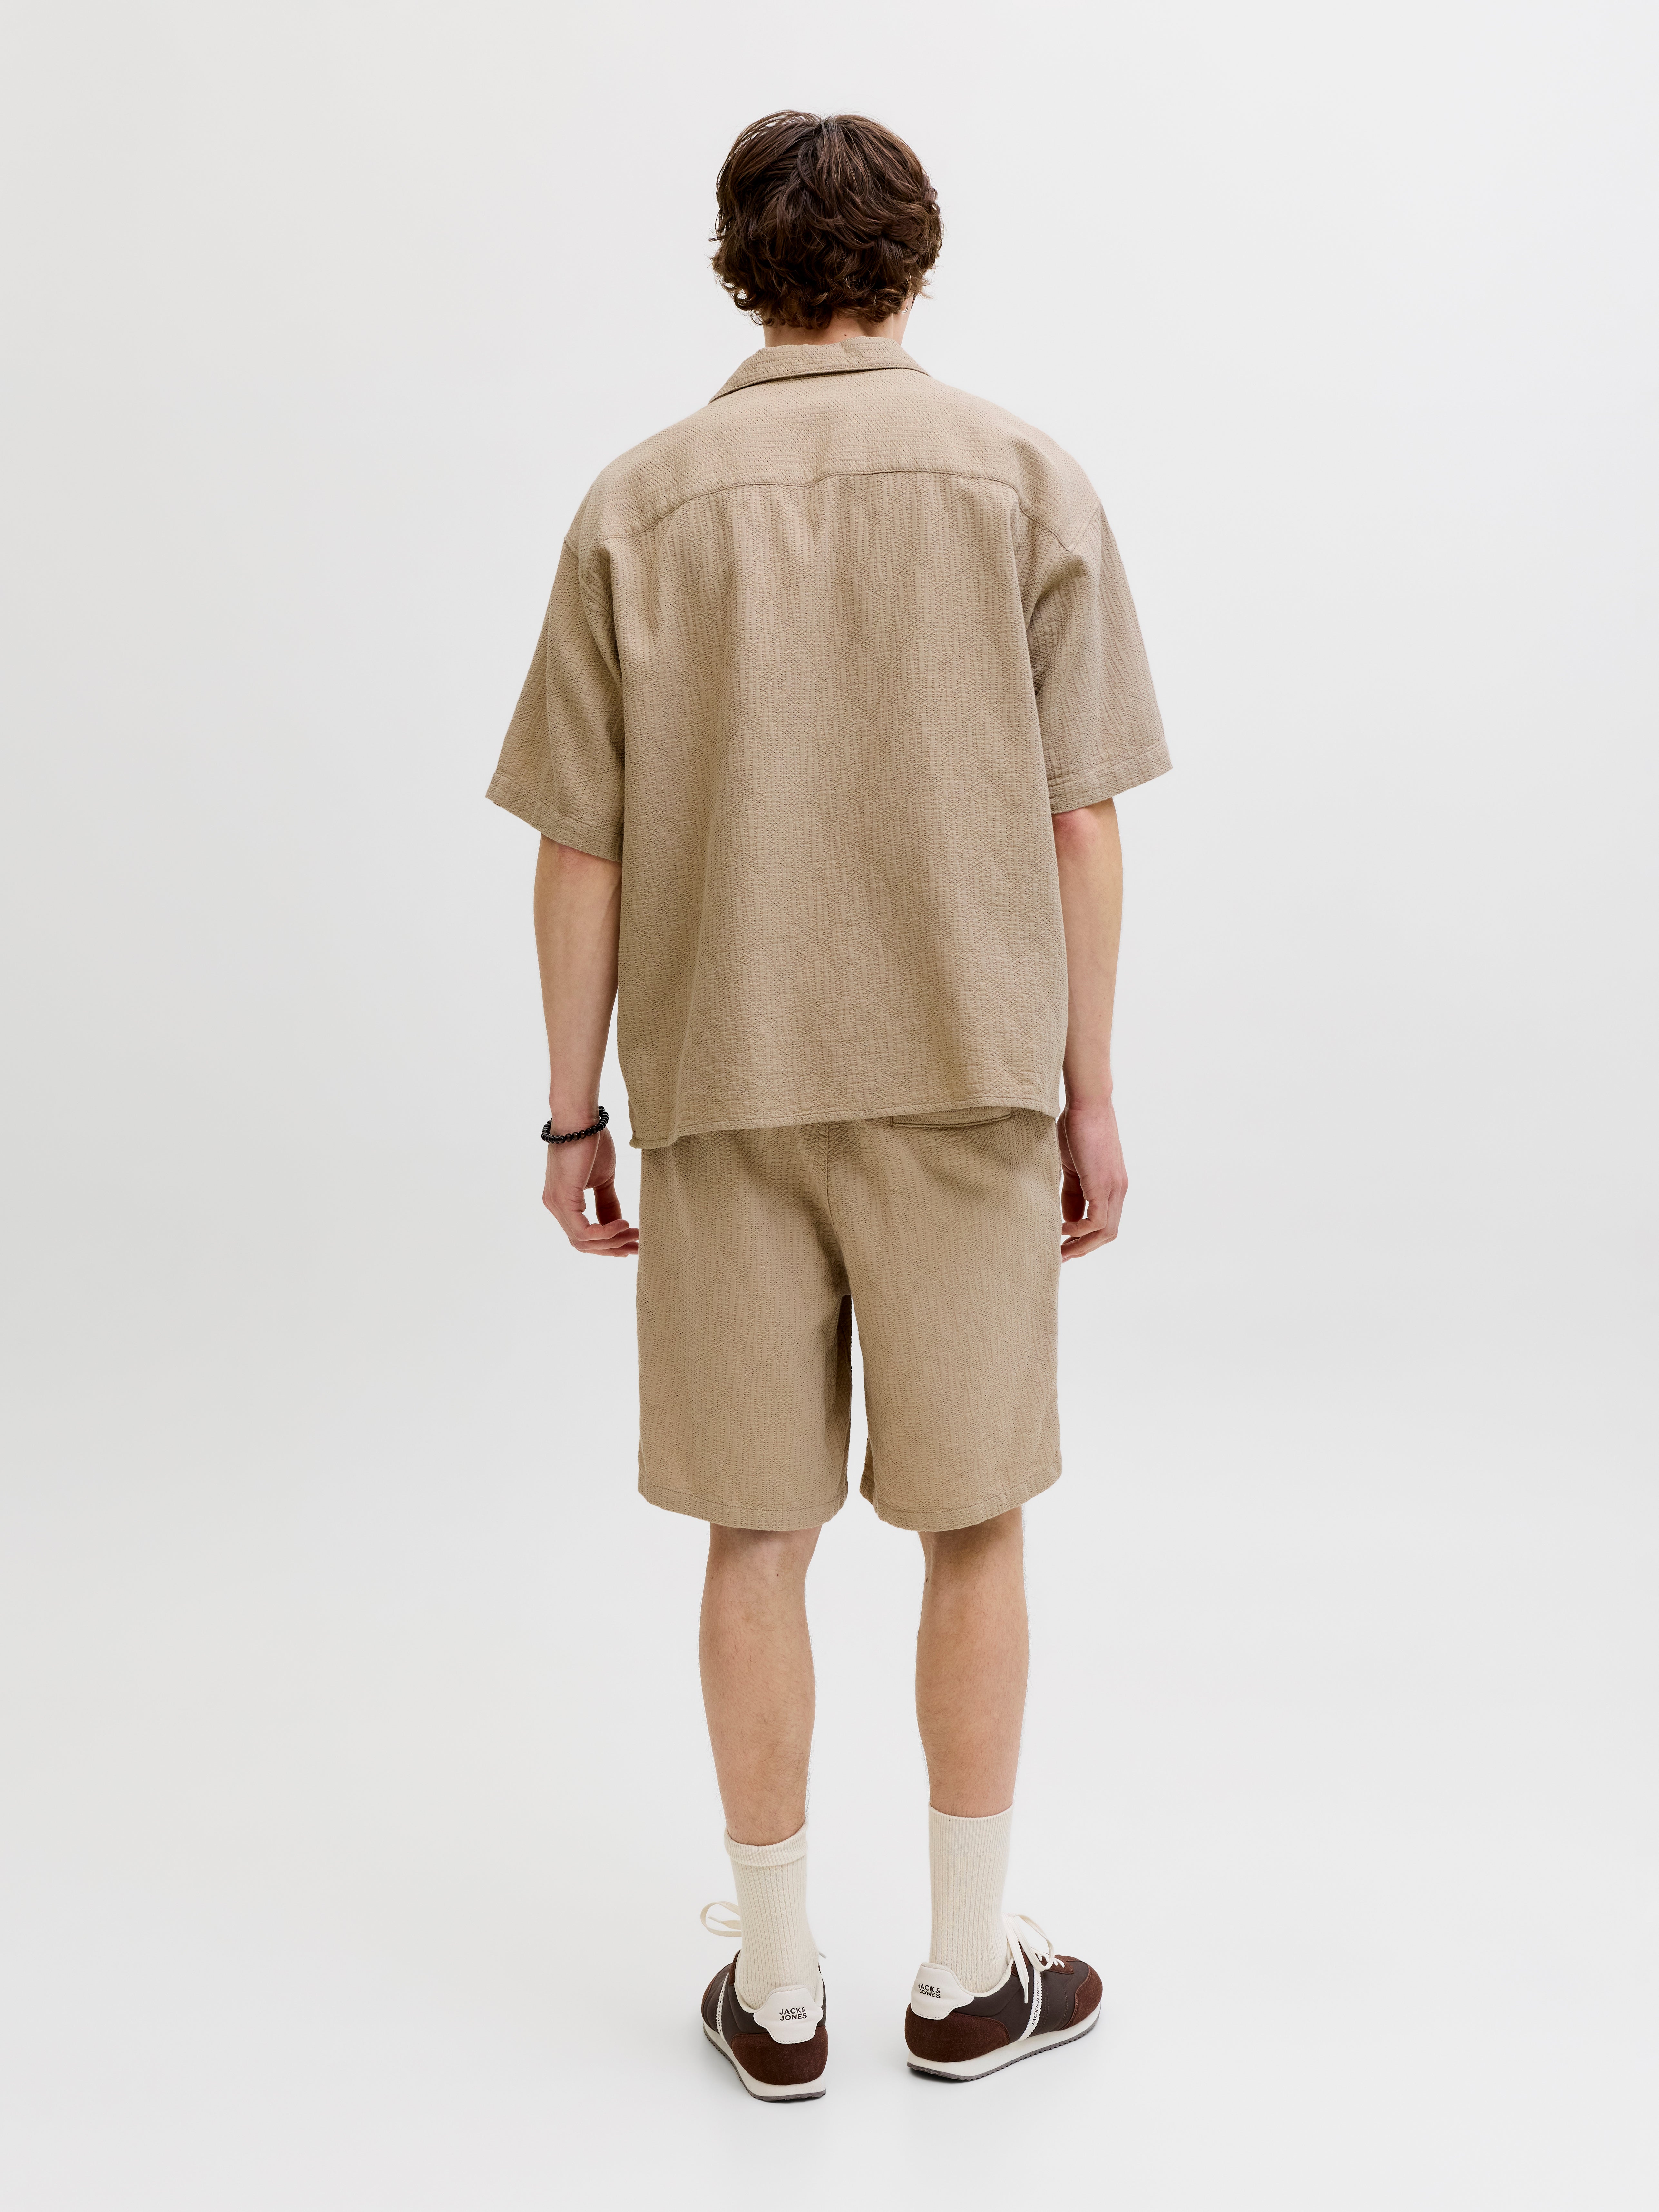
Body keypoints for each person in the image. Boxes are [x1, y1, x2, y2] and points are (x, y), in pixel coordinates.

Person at [487, 110, 1170, 2099]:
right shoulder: (1022, 478)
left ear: (740, 268)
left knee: (756, 1529)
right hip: (966, 1083)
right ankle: (966, 1979)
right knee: (974, 1524)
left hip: (725, 1083)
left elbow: (581, 847)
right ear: (914, 262)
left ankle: (779, 1994)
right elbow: (1082, 823)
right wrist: (1089, 1094)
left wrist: (571, 1115)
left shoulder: (639, 503)